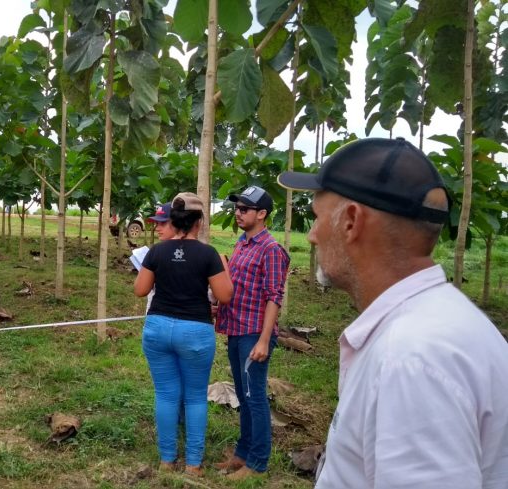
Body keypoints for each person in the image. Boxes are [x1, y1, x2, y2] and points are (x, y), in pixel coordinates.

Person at [277, 137, 508, 488]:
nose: (311, 235)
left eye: (317, 217)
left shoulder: (411, 360)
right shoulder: (439, 323)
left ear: (351, 221)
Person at [134, 192, 233, 476]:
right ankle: (193, 464)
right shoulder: (208, 254)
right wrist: (223, 267)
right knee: (195, 397)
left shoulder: (156, 251)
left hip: (158, 328)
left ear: (174, 220)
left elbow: (140, 290)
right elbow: (225, 295)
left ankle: (167, 460)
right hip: (195, 332)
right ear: (199, 222)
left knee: (166, 395)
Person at [214, 185, 290, 481]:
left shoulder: (271, 250)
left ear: (262, 214)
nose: (238, 213)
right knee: (244, 396)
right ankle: (242, 454)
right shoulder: (242, 244)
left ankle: (257, 463)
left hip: (253, 333)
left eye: (244, 209)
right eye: (237, 208)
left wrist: (264, 339)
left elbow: (274, 297)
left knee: (254, 397)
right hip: (236, 329)